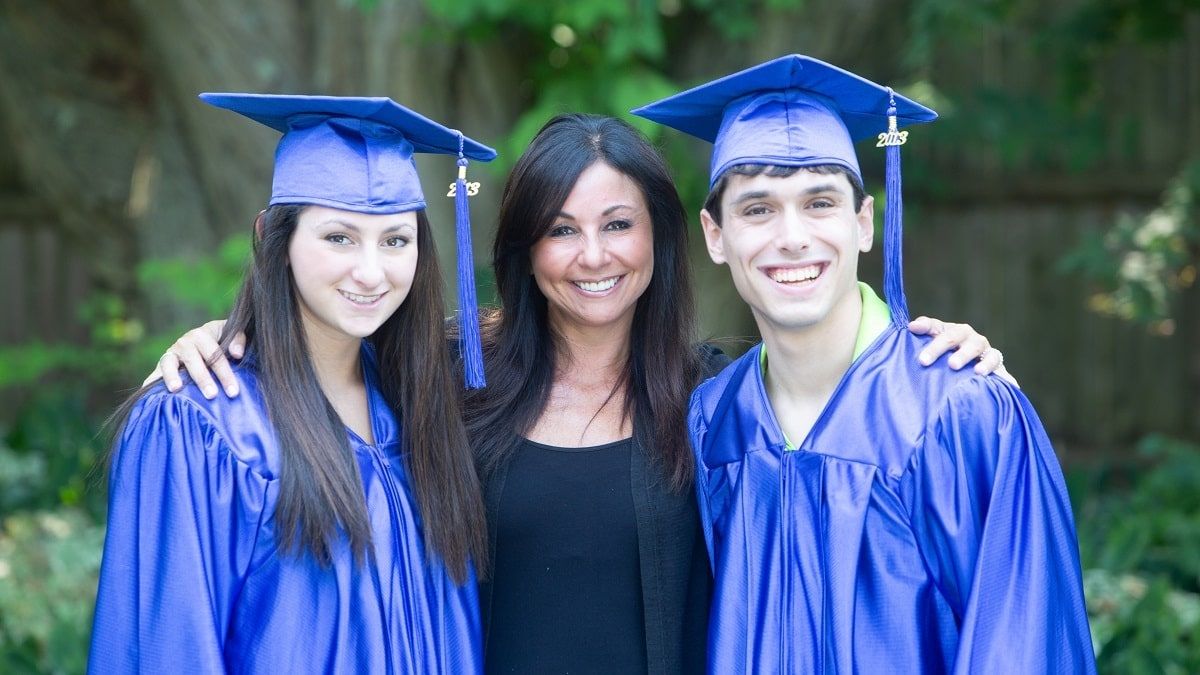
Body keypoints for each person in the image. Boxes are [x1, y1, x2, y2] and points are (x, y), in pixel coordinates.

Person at [148, 114, 1010, 674]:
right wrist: (238, 340)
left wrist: (943, 355)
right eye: (561, 229)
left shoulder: (719, 404)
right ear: (525, 249)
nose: (592, 255)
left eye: (618, 225)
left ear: (669, 240)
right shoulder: (445, 390)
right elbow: (321, 369)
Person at [632, 54, 1095, 672]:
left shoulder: (963, 412)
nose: (792, 236)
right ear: (716, 236)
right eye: (758, 208)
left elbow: (1026, 642)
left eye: (819, 202)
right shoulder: (712, 422)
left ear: (865, 223)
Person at [89, 94, 493, 673]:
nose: (371, 271)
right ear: (273, 239)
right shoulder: (204, 423)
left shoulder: (423, 403)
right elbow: (160, 648)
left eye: (396, 240)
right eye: (338, 237)